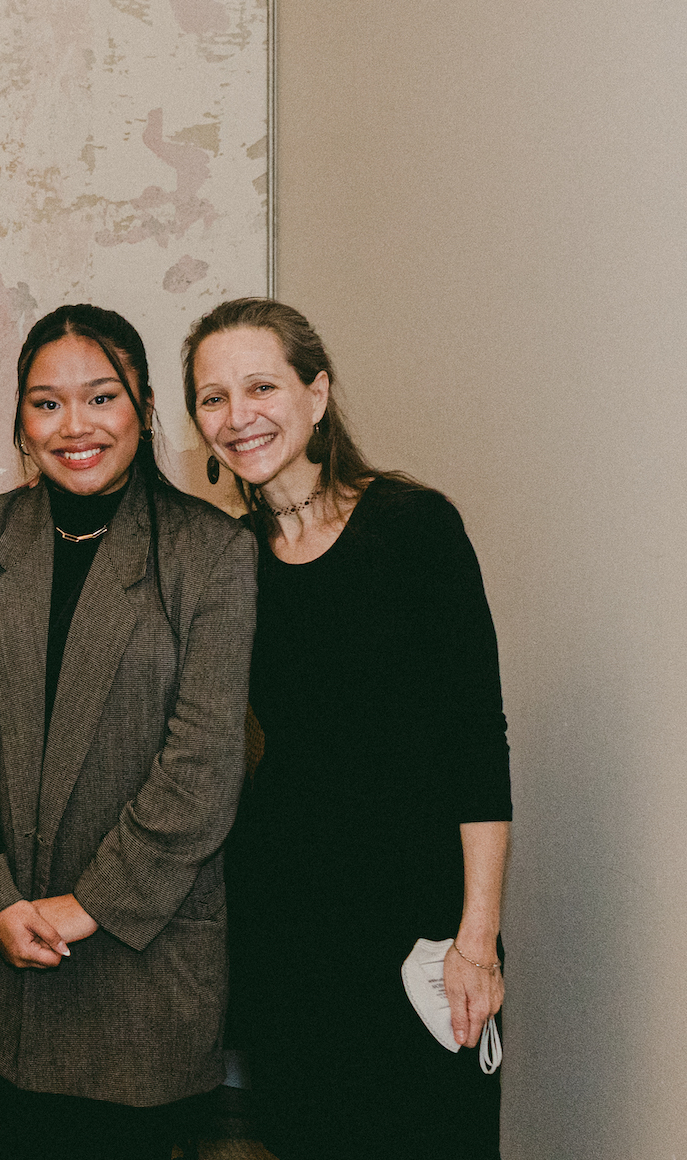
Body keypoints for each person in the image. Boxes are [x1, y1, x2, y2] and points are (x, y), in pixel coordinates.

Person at [0, 304, 257, 1160]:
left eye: (101, 397)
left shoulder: (211, 554)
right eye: (46, 403)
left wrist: (85, 908)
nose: (74, 426)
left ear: (144, 408)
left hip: (140, 955)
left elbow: (204, 764)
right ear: (21, 423)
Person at [182, 297, 511, 1159]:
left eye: (260, 385)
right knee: (307, 1134)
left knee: (435, 1138)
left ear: (317, 394)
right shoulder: (231, 560)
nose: (237, 415)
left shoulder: (414, 528)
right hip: (289, 918)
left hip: (419, 915)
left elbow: (478, 741)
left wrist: (477, 938)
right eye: (212, 398)